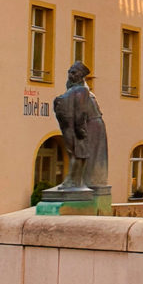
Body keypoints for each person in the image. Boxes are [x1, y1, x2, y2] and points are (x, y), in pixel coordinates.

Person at [52, 61, 107, 191]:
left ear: (81, 75)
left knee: (82, 153)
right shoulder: (77, 90)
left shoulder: (81, 90)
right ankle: (77, 181)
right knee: (79, 153)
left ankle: (81, 182)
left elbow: (80, 111)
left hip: (89, 124)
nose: (70, 75)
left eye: (74, 73)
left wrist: (80, 129)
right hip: (82, 124)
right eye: (69, 72)